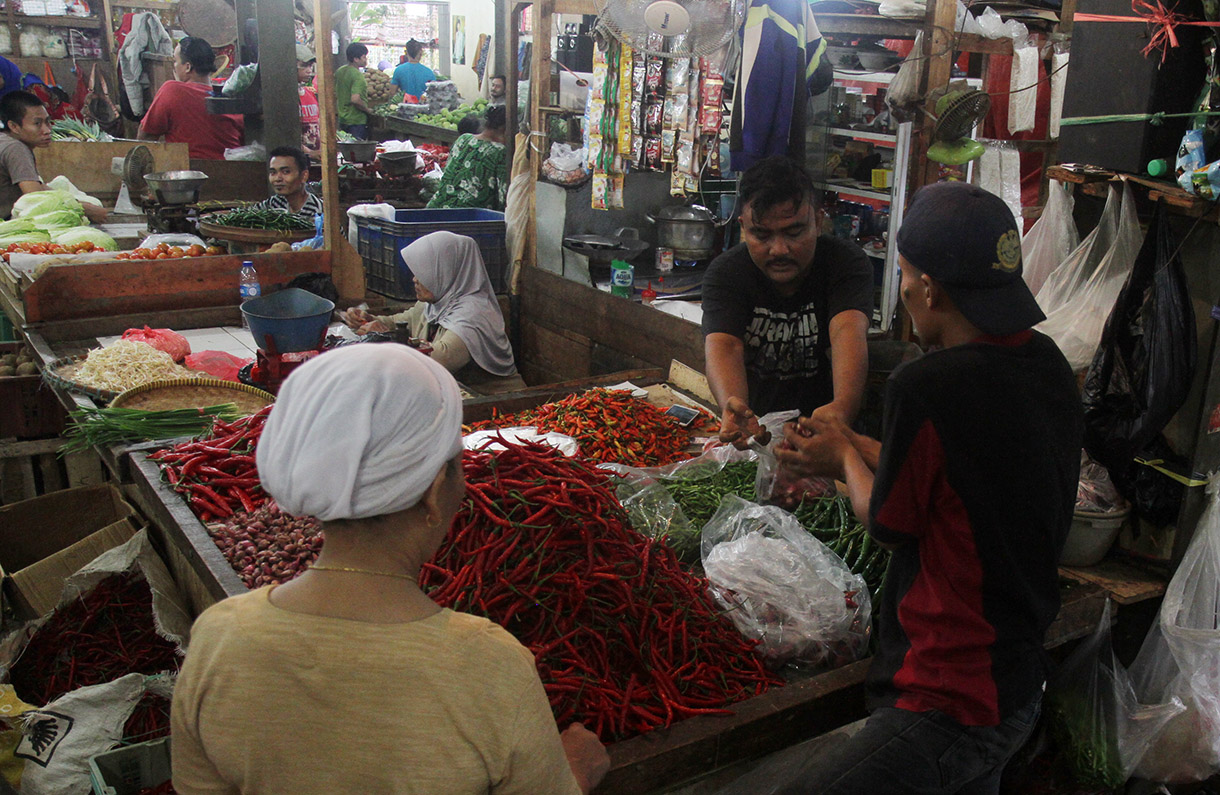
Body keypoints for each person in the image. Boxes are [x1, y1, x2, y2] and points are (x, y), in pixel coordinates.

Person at [170, 344, 610, 793]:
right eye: (459, 466)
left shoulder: (219, 637)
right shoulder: (489, 664)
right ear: (433, 490)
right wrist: (575, 771)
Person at [772, 183, 1084, 794]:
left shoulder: (929, 384)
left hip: (947, 698)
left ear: (930, 289)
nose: (906, 290)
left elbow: (890, 521)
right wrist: (851, 446)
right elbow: (959, 481)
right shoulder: (1046, 363)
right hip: (1016, 684)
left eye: (908, 276)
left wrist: (840, 459)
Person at [702, 156, 872, 447]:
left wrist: (842, 409)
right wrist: (733, 405)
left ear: (818, 222)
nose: (779, 250)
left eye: (794, 232)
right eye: (762, 235)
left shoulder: (845, 263)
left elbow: (847, 330)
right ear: (743, 227)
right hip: (758, 434)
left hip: (828, 435)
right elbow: (725, 344)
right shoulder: (727, 273)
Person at [342, 231, 526, 394]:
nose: (415, 279)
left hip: (496, 403)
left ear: (446, 272)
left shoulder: (474, 315)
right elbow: (400, 321)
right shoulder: (437, 304)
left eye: (423, 272)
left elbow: (439, 359)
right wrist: (367, 319)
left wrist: (385, 337)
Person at [0, 91, 106, 221]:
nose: (47, 130)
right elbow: (35, 197)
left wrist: (77, 202)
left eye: (47, 122)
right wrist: (87, 209)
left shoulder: (4, 140)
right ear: (14, 126)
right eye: (37, 123)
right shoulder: (15, 149)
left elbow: (37, 186)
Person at [138, 37, 243, 160]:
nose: (174, 67)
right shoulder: (230, 96)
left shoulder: (172, 90)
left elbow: (145, 136)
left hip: (189, 174)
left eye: (175, 61)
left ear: (187, 67)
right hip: (234, 171)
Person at [426, 104, 507, 211]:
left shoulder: (463, 139)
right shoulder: (500, 152)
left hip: (436, 208)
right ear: (503, 129)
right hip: (467, 217)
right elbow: (504, 197)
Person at [254, 146, 321, 221]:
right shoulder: (273, 203)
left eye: (286, 172)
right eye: (273, 172)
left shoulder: (317, 211)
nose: (277, 178)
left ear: (304, 176)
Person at [336, 42, 373, 139]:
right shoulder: (357, 75)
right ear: (356, 59)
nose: (366, 60)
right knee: (357, 150)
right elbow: (355, 99)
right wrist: (367, 110)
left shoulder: (340, 71)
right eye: (364, 57)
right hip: (356, 121)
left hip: (342, 119)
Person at [295, 44, 320, 157]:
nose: (309, 70)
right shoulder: (285, 97)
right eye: (304, 66)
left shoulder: (310, 93)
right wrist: (309, 153)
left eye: (310, 66)